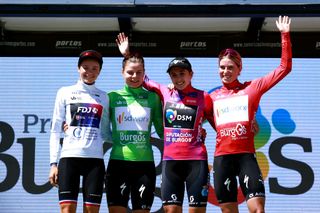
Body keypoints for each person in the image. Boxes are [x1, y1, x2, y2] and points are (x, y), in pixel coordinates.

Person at [116, 33, 216, 213]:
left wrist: (249, 128)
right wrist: (127, 54)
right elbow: (141, 77)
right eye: (174, 75)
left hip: (197, 161)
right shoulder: (163, 91)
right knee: (170, 211)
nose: (178, 79)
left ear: (191, 74)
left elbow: (219, 124)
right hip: (171, 162)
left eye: (182, 74)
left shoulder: (204, 97)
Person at [210, 16, 292, 213]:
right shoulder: (211, 97)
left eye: (231, 67)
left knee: (257, 209)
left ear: (239, 69)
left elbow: (284, 68)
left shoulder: (252, 88)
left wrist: (285, 35)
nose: (226, 71)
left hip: (246, 157)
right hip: (222, 160)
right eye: (222, 67)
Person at [48, 50, 111, 213]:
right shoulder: (64, 92)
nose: (89, 72)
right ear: (78, 68)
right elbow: (55, 130)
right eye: (85, 67)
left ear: (99, 71)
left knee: (91, 211)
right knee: (67, 209)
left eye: (94, 68)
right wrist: (53, 163)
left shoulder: (104, 97)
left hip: (95, 160)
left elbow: (105, 131)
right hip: (69, 158)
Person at [105, 53, 164, 213]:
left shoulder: (153, 98)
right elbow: (100, 129)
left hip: (144, 165)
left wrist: (192, 134)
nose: (134, 76)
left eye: (139, 72)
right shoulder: (111, 97)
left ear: (144, 74)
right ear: (122, 72)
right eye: (130, 72)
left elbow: (162, 132)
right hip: (118, 163)